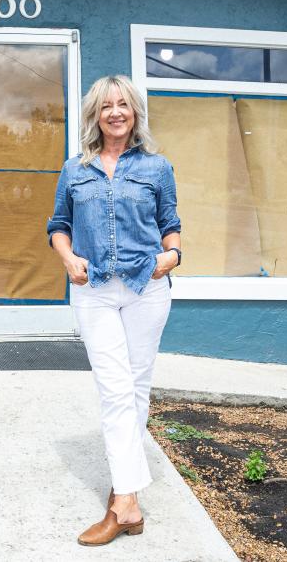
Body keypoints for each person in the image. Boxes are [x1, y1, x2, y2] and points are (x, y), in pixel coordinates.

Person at [46, 75, 181, 547]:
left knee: (136, 388)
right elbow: (58, 225)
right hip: (94, 290)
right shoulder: (74, 169)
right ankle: (126, 502)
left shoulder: (157, 167)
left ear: (135, 113)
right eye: (107, 106)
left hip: (148, 286)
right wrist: (67, 258)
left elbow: (171, 225)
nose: (116, 112)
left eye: (124, 104)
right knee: (115, 388)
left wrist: (173, 256)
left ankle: (125, 497)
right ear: (95, 116)